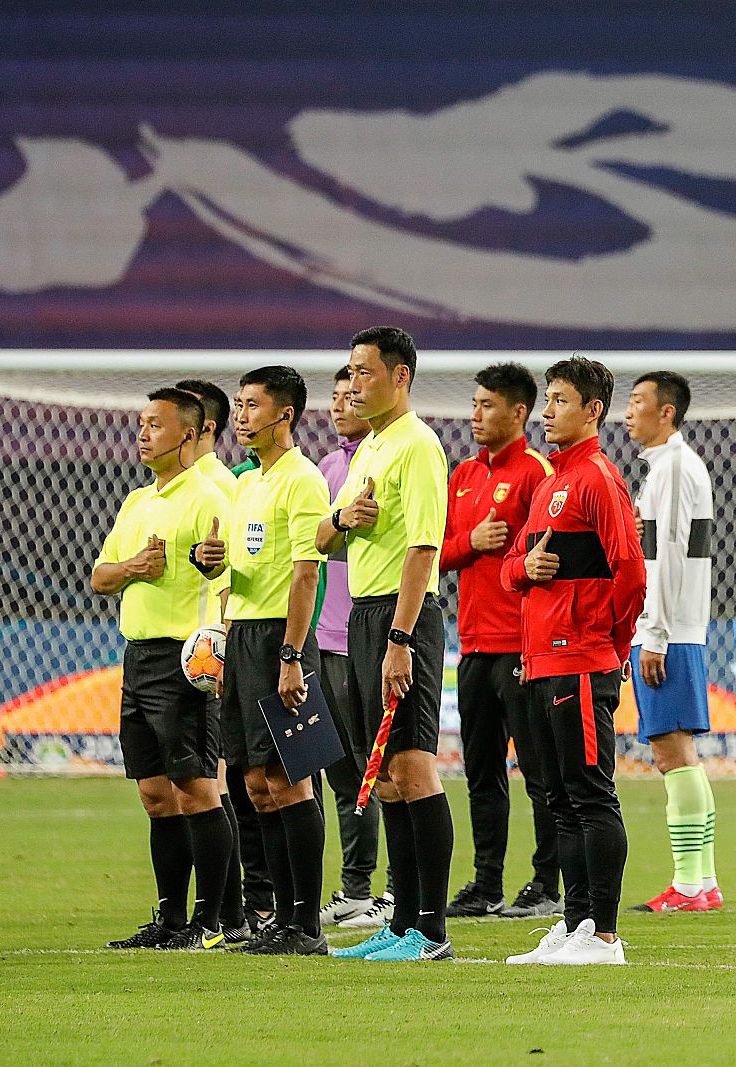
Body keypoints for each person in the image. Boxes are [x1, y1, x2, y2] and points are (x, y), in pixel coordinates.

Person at [316, 326, 456, 962]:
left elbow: (424, 547)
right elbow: (323, 539)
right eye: (349, 372)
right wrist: (345, 518)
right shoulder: (369, 448)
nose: (352, 385)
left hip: (405, 618)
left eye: (364, 372)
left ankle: (432, 931)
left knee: (414, 768)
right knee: (388, 778)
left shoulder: (418, 446)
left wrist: (400, 638)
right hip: (365, 616)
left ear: (400, 377)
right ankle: (400, 924)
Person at [501, 357, 645, 966]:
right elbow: (510, 567)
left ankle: (604, 935)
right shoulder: (549, 485)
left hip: (581, 660)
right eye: (548, 399)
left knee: (590, 795)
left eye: (560, 400)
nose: (548, 411)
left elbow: (631, 573)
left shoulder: (598, 480)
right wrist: (524, 568)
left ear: (593, 410)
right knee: (557, 798)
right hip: (540, 661)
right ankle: (574, 923)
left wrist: (609, 646)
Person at [197, 366, 332, 956]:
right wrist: (211, 561)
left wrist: (292, 655)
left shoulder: (303, 480)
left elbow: (306, 575)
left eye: (252, 405)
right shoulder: (247, 482)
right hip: (244, 638)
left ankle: (307, 926)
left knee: (289, 781)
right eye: (238, 404)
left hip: (282, 639)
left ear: (285, 415)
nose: (241, 415)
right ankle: (280, 917)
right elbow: (241, 568)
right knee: (255, 784)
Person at [93, 388, 233, 951]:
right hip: (138, 659)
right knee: (154, 794)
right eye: (141, 423)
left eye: (156, 424)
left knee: (197, 790)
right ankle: (171, 919)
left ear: (189, 434)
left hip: (184, 660)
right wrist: (135, 566)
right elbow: (100, 577)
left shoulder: (208, 497)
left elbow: (228, 578)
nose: (143, 433)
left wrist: (223, 647)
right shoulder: (136, 502)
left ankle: (213, 921)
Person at [441, 362, 563, 920]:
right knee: (481, 773)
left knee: (539, 772)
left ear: (518, 412)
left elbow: (552, 556)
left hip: (522, 645)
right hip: (473, 646)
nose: (475, 414)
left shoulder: (538, 472)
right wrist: (472, 540)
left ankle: (545, 884)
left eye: (487, 405)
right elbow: (438, 553)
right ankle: (487, 883)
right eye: (474, 404)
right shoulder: (463, 475)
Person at [624, 371, 722, 914]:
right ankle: (702, 881)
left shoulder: (676, 468)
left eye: (638, 401)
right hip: (672, 629)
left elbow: (672, 556)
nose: (628, 412)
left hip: (669, 631)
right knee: (681, 755)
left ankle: (688, 887)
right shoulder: (666, 467)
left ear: (666, 412)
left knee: (673, 755)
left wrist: (656, 633)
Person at [177, 377, 269, 940]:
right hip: (208, 652)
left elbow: (260, 569)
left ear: (200, 428)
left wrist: (223, 632)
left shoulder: (225, 486)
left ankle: (256, 904)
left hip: (234, 647)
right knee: (231, 778)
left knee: (248, 778)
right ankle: (241, 908)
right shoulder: (213, 485)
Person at [315, 366, 392, 930]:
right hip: (322, 636)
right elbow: (318, 541)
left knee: (380, 767)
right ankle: (356, 889)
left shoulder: (386, 460)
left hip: (363, 634)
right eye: (336, 397)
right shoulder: (327, 467)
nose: (342, 405)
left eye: (352, 395)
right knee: (340, 772)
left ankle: (393, 889)